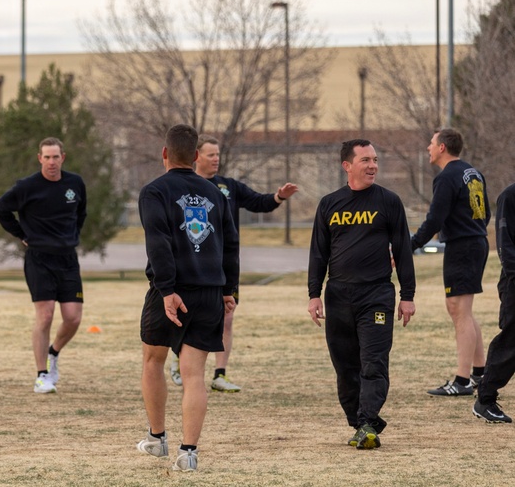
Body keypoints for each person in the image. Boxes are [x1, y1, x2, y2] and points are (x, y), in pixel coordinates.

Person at [135, 124, 239, 472]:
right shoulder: (215, 193)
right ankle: (189, 453)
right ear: (195, 156)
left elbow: (159, 242)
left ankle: (157, 438)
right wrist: (228, 290)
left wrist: (166, 290)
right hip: (209, 290)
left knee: (153, 361)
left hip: (172, 290)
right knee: (194, 372)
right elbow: (231, 244)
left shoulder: (154, 192)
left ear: (165, 154)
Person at [167, 134, 299, 392]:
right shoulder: (184, 187)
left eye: (218, 154)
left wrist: (279, 197)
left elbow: (259, 202)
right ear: (196, 156)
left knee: (226, 319)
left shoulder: (227, 187)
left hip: (223, 266)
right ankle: (177, 358)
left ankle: (220, 374)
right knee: (187, 317)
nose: (216, 159)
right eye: (210, 154)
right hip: (192, 265)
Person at [307, 139, 415, 450]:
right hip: (338, 295)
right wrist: (314, 295)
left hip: (377, 294)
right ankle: (359, 423)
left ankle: (368, 420)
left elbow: (404, 251)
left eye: (375, 160)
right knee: (345, 365)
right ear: (347, 166)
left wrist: (407, 295)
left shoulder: (389, 201)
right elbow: (318, 254)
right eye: (366, 160)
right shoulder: (329, 204)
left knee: (374, 361)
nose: (373, 166)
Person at [0, 137, 87, 394]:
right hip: (39, 258)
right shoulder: (27, 187)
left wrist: (72, 236)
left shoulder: (75, 183)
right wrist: (22, 234)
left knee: (73, 318)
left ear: (63, 158)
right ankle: (42, 374)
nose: (51, 162)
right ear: (39, 159)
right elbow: (1, 209)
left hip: (67, 258)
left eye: (55, 157)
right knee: (45, 316)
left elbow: (81, 213)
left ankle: (53, 352)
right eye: (46, 157)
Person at [411, 128, 490, 397]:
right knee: (462, 310)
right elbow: (486, 213)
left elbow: (434, 219)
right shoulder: (473, 172)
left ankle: (462, 381)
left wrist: (409, 245)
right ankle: (480, 373)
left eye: (431, 143)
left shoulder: (446, 177)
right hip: (475, 243)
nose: (428, 148)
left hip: (463, 246)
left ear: (443, 147)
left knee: (459, 310)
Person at [473, 183, 515, 423]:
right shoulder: (509, 197)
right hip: (514, 283)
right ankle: (485, 399)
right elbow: (505, 246)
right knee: (511, 342)